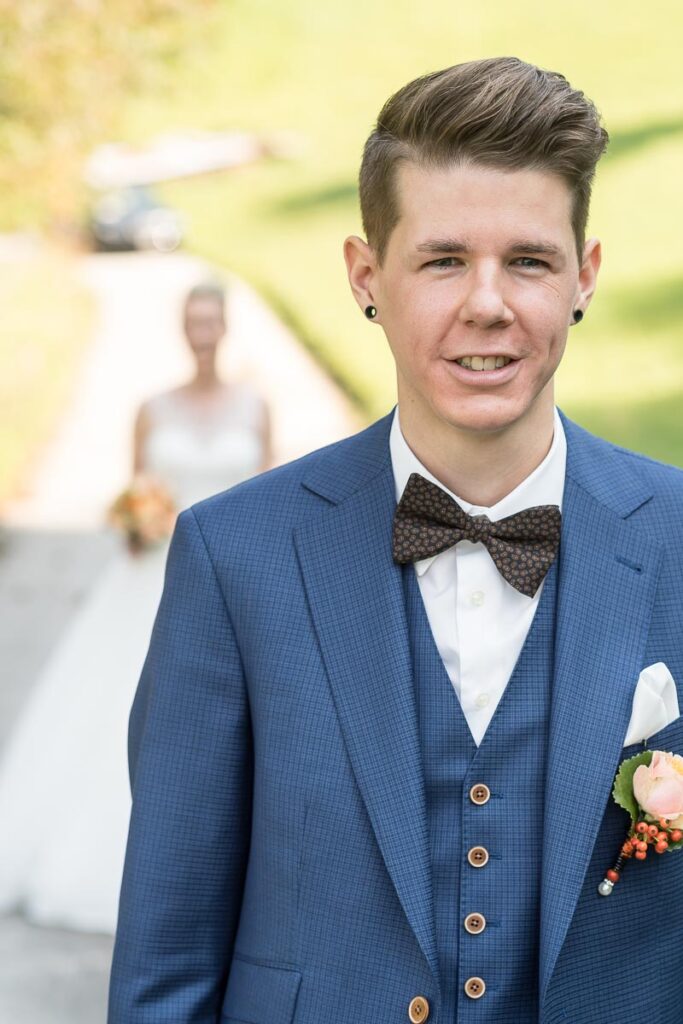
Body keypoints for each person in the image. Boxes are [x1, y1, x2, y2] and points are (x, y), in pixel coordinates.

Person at [108, 58, 683, 1023]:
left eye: (529, 261)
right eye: (443, 259)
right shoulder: (233, 557)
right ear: (366, 275)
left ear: (584, 276)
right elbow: (167, 968)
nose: (488, 304)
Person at [0, 281, 271, 934]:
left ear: (225, 327)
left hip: (229, 580)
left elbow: (268, 498)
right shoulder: (151, 408)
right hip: (150, 577)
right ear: (183, 327)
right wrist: (137, 521)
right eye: (193, 319)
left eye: (212, 318)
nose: (203, 330)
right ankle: (108, 855)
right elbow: (131, 492)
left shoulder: (255, 407)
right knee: (118, 707)